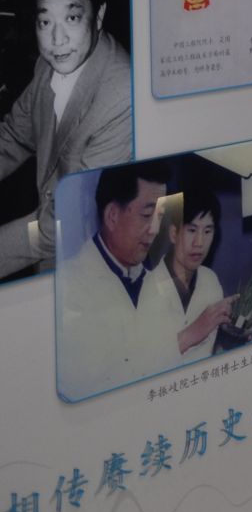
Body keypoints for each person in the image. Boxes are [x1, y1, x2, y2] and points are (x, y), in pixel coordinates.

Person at [0, 0, 135, 278]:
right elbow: (14, 137)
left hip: (93, 267)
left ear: (98, 16)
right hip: (49, 249)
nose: (57, 40)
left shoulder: (120, 97)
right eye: (45, 22)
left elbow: (67, 220)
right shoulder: (47, 65)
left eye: (72, 18)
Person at [56, 160, 169, 401]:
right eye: (147, 215)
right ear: (112, 216)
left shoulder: (156, 280)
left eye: (159, 216)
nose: (155, 229)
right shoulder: (69, 285)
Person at [144, 185, 233, 365]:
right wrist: (194, 332)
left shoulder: (210, 280)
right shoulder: (146, 288)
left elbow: (212, 350)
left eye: (207, 231)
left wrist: (231, 338)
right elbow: (142, 365)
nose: (199, 242)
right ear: (173, 234)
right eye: (192, 230)